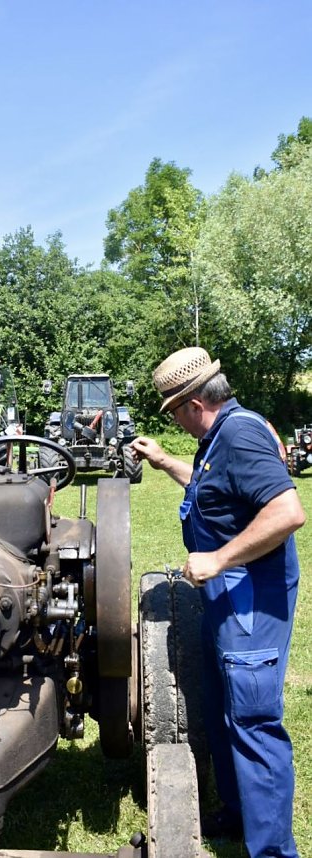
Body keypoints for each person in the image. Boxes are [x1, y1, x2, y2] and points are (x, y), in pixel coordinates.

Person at [130, 347, 305, 858]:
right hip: (227, 598)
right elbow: (213, 489)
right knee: (225, 707)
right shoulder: (218, 436)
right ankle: (235, 812)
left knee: (252, 719)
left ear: (191, 404)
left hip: (250, 597)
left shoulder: (241, 433)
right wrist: (165, 461)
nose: (178, 423)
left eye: (175, 411)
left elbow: (288, 512)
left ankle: (272, 851)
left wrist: (220, 558)